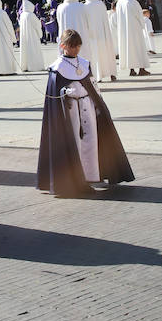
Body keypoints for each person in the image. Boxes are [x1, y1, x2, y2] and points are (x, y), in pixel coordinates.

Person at [36, 29, 134, 197]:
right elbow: (54, 94)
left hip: (87, 105)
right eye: (71, 46)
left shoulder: (84, 63)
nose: (75, 50)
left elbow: (93, 85)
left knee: (91, 141)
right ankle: (76, 179)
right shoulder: (57, 68)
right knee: (75, 143)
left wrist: (98, 105)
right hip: (70, 110)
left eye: (78, 46)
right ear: (63, 46)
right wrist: (65, 92)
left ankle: (91, 175)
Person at [80, 0, 117, 81]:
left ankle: (98, 75)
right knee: (107, 53)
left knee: (96, 56)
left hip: (92, 36)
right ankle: (112, 74)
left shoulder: (85, 6)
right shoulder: (100, 4)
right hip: (104, 34)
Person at [113, 0, 151, 76]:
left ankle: (131, 69)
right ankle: (141, 69)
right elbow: (139, 15)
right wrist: (142, 26)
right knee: (138, 48)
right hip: (135, 30)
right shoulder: (133, 2)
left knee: (128, 49)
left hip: (124, 31)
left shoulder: (119, 3)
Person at [16, 0, 46, 72]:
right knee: (34, 51)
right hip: (33, 36)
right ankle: (35, 66)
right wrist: (40, 34)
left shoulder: (22, 15)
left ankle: (25, 66)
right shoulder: (31, 15)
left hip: (24, 37)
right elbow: (37, 25)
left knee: (25, 51)